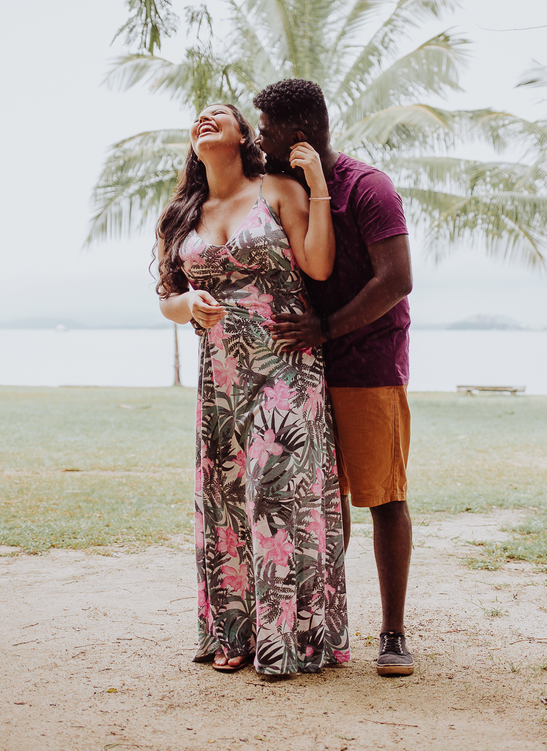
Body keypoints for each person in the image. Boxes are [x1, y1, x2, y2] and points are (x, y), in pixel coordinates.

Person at [155, 102, 350, 676]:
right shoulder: (183, 212)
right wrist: (186, 304)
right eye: (198, 118)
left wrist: (315, 186)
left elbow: (317, 266)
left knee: (274, 497)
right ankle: (236, 632)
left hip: (287, 371)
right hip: (221, 380)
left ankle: (291, 639)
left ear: (244, 135)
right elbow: (167, 297)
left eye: (220, 114)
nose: (205, 120)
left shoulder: (278, 191)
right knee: (226, 502)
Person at [256, 79, 416, 677]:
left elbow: (396, 279)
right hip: (301, 370)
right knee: (323, 503)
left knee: (383, 496)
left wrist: (327, 328)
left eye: (265, 127)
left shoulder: (367, 187)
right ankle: (321, 623)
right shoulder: (282, 189)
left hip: (368, 364)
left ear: (296, 134)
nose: (258, 137)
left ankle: (394, 633)